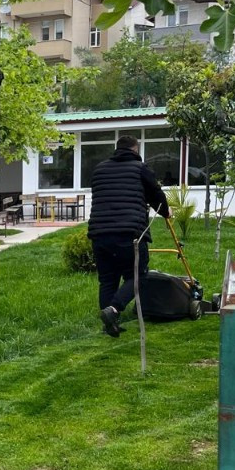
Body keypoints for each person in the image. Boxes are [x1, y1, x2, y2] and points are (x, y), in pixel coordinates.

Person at [87, 135, 170, 338]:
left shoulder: (99, 169)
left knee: (108, 280)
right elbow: (156, 196)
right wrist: (166, 213)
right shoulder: (140, 168)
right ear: (135, 149)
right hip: (129, 232)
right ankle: (113, 310)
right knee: (138, 276)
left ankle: (109, 325)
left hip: (99, 233)